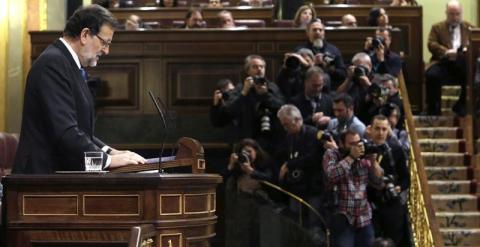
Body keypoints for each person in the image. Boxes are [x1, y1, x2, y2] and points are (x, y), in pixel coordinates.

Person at [12, 4, 146, 174]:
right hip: (40, 181)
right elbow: (65, 132)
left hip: (54, 179)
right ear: (84, 35)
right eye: (105, 43)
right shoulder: (52, 64)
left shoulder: (67, 64)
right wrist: (108, 161)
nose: (106, 51)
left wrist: (109, 151)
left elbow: (79, 130)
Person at [322, 129, 383, 247]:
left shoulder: (364, 156)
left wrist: (373, 162)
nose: (357, 147)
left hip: (364, 217)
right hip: (343, 217)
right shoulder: (332, 154)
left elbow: (378, 183)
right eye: (352, 144)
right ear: (341, 144)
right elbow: (331, 176)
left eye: (358, 143)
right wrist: (351, 157)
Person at [276, 104, 325, 230]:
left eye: (287, 124)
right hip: (296, 185)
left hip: (313, 185)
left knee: (314, 223)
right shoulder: (289, 136)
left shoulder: (313, 134)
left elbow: (312, 158)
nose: (285, 128)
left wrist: (289, 164)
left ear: (298, 120)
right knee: (295, 222)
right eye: (283, 125)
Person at [225, 55, 285, 154]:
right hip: (247, 137)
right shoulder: (240, 88)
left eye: (262, 67)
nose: (259, 69)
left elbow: (282, 108)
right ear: (248, 71)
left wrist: (265, 95)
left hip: (271, 138)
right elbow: (231, 110)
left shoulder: (272, 87)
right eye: (255, 67)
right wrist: (244, 92)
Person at [366, 115, 410, 247]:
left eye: (384, 129)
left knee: (393, 240)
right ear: (370, 129)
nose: (380, 133)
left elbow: (405, 178)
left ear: (388, 130)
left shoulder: (396, 150)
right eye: (377, 129)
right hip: (369, 203)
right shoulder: (363, 149)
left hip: (391, 203)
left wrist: (399, 188)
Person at [425, 0, 473, 116]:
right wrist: (446, 52)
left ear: (461, 13)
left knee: (472, 73)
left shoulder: (470, 28)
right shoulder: (437, 27)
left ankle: (461, 105)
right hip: (443, 62)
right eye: (451, 14)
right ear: (446, 13)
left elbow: (475, 44)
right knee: (431, 75)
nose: (455, 17)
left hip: (462, 63)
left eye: (457, 14)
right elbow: (431, 44)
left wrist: (464, 52)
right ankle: (434, 109)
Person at [224, 138, 273, 247]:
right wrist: (231, 165)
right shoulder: (238, 165)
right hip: (242, 203)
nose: (247, 155)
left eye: (249, 151)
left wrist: (251, 171)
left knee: (259, 233)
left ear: (256, 151)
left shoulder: (263, 162)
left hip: (260, 202)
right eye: (244, 152)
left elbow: (269, 179)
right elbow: (223, 179)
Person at [296, 19, 347, 91]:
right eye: (314, 30)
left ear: (324, 33)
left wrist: (330, 69)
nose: (317, 32)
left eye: (320, 30)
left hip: (330, 89)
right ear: (308, 33)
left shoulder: (333, 50)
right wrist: (311, 65)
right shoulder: (301, 50)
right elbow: (296, 75)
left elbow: (343, 74)